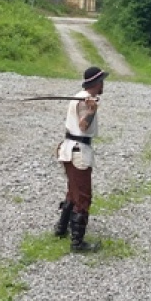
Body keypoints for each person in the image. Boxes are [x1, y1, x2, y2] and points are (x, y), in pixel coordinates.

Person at [53, 66, 107, 252]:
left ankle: (61, 229)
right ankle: (77, 243)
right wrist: (91, 111)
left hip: (69, 149)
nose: (103, 85)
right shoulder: (84, 101)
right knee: (83, 197)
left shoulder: (81, 95)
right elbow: (83, 126)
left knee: (72, 192)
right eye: (102, 82)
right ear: (96, 83)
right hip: (78, 151)